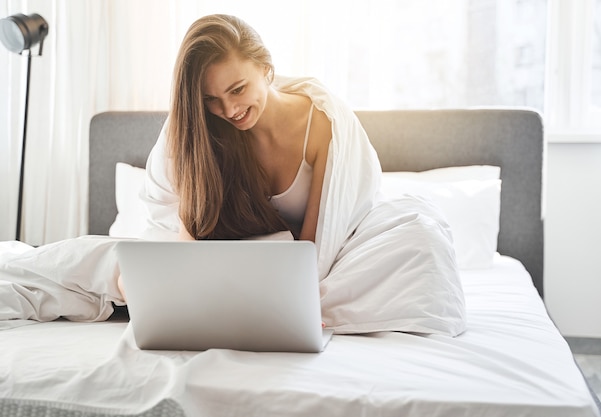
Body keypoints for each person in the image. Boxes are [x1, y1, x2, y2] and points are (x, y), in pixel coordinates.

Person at [118, 14, 466, 336]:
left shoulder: (320, 125)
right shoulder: (200, 130)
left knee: (422, 238)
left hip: (309, 257)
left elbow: (316, 247)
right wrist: (180, 283)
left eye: (237, 89)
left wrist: (294, 296)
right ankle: (236, 300)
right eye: (211, 99)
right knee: (117, 272)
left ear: (266, 69)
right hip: (230, 255)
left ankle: (251, 302)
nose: (228, 110)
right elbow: (188, 230)